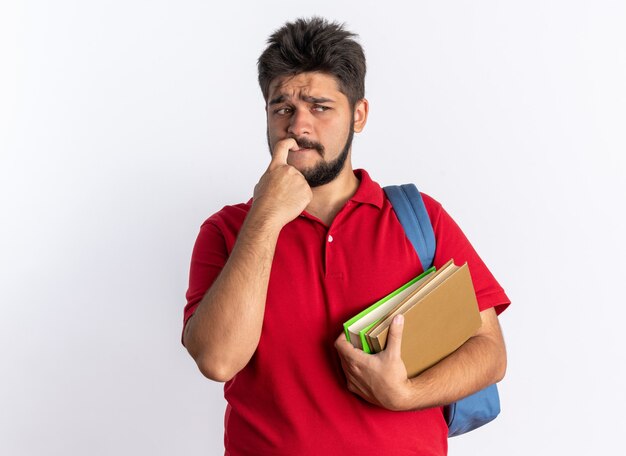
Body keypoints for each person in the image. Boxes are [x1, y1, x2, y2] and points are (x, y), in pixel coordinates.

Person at [183, 17, 510, 456]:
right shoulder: (227, 231)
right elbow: (218, 360)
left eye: (320, 107)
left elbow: (489, 353)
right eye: (283, 108)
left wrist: (404, 395)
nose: (299, 126)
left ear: (358, 115)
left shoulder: (420, 217)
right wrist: (265, 216)